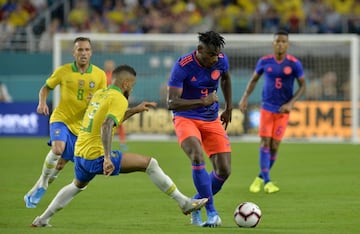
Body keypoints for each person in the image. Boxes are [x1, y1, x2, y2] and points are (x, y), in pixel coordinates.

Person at [31, 64, 208, 227]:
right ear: (126, 83)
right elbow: (107, 125)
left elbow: (110, 121)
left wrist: (134, 110)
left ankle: (42, 219)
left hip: (80, 153)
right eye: (133, 85)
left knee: (76, 185)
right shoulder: (119, 99)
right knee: (150, 164)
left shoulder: (101, 94)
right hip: (96, 155)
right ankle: (183, 202)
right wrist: (107, 158)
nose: (132, 88)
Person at [24, 37, 107, 208]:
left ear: (91, 52)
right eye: (80, 50)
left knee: (60, 164)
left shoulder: (99, 75)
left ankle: (37, 188)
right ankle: (44, 183)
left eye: (87, 50)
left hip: (81, 127)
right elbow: (45, 88)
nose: (83, 53)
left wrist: (96, 100)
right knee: (57, 148)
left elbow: (104, 100)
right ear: (73, 52)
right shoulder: (63, 71)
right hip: (61, 119)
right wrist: (42, 102)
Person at [167, 31, 232, 227]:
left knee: (224, 170)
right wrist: (202, 101)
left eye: (217, 54)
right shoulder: (183, 66)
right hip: (186, 118)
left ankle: (195, 202)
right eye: (211, 54)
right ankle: (212, 212)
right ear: (200, 50)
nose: (215, 59)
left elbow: (226, 79)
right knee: (197, 156)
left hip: (211, 119)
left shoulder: (220, 60)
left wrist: (229, 107)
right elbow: (171, 102)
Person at [238, 30, 306, 194]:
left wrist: (291, 103)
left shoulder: (294, 63)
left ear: (287, 44)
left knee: (275, 146)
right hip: (267, 108)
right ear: (273, 43)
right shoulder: (264, 61)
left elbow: (303, 86)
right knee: (265, 143)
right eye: (277, 41)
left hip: (283, 110)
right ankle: (268, 181)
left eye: (283, 41)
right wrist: (245, 97)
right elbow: (254, 80)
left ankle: (260, 177)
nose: (280, 44)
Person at [104, 59, 128, 150]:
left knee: (119, 123)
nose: (109, 66)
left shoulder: (117, 76)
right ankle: (105, 142)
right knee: (106, 123)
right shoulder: (103, 76)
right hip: (106, 103)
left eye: (111, 65)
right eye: (108, 65)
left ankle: (122, 142)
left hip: (116, 103)